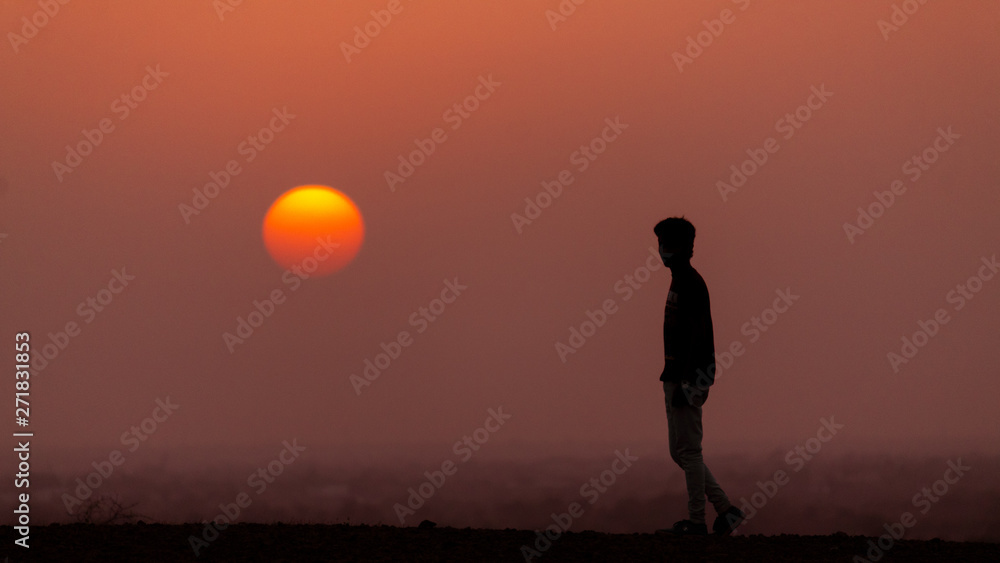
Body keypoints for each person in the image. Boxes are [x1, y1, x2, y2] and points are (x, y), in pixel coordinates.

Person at [654, 216, 743, 536]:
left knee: (689, 451)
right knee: (679, 452)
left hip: (687, 378)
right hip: (676, 376)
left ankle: (697, 522)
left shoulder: (690, 283)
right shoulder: (680, 280)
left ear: (685, 248)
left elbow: (699, 336)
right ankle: (725, 510)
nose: (662, 250)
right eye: (661, 243)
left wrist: (689, 383)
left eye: (667, 243)